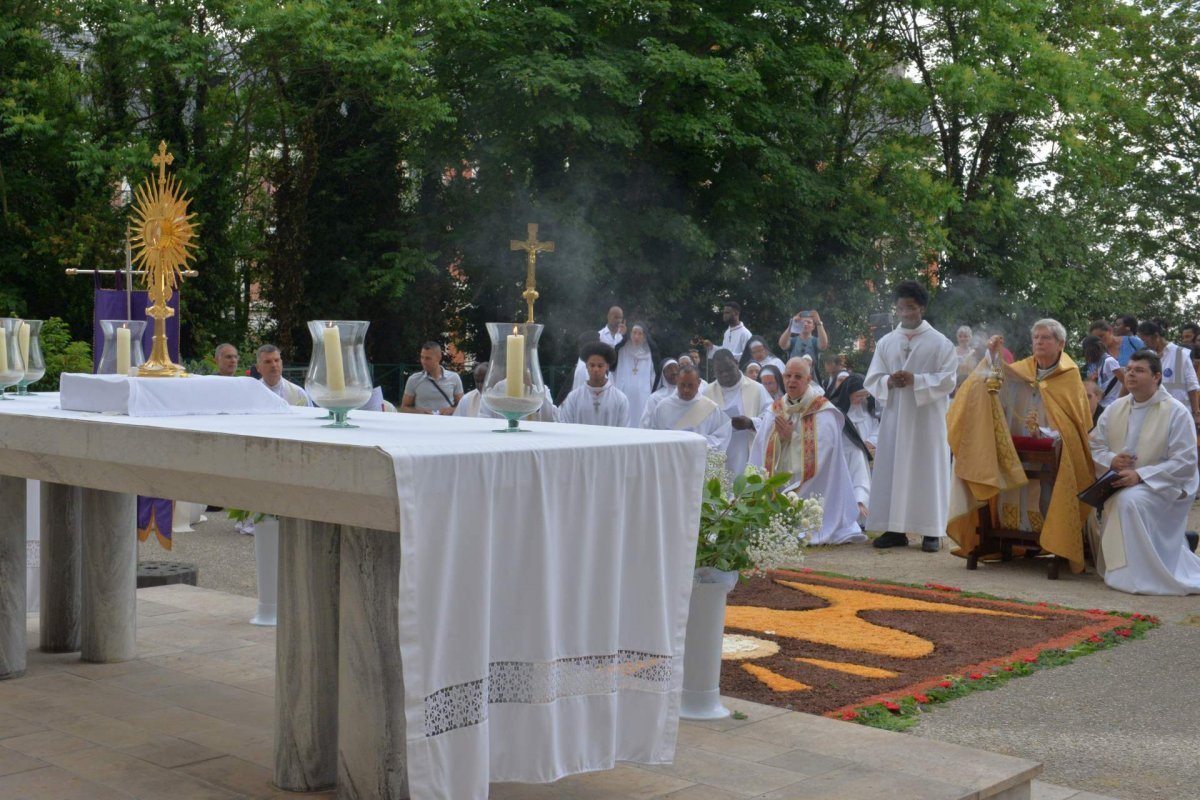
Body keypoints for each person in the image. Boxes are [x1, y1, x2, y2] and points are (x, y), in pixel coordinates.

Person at [947, 319, 1094, 573]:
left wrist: (1049, 434)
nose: (1038, 342)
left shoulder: (1069, 378)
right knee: (1011, 488)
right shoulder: (1022, 370)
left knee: (1048, 490)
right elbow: (994, 385)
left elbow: (1076, 425)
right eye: (1035, 337)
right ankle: (1009, 538)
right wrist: (992, 357)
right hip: (1017, 450)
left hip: (1054, 451)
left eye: (1045, 337)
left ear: (1061, 344)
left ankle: (1054, 541)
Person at [1089, 350, 1200, 594]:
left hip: (1165, 485)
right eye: (1128, 369)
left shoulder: (1176, 412)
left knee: (1128, 501)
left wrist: (1141, 476)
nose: (1130, 374)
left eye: (1139, 370)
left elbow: (1186, 461)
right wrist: (1112, 459)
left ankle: (1137, 575)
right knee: (1112, 500)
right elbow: (1095, 444)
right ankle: (1123, 569)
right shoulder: (1115, 408)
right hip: (1123, 480)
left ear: (1157, 377)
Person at [863, 281, 958, 551]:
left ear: (922, 308)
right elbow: (873, 377)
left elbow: (947, 379)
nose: (906, 313)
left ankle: (931, 531)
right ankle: (895, 529)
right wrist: (888, 382)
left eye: (911, 308)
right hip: (895, 416)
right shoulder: (886, 342)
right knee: (894, 467)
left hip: (926, 418)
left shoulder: (940, 342)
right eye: (902, 308)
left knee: (927, 470)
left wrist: (916, 380)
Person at [749, 357, 864, 544]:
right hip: (781, 474)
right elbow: (760, 446)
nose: (791, 380)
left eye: (797, 376)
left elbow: (825, 450)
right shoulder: (775, 409)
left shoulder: (823, 410)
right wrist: (779, 439)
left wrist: (791, 438)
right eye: (788, 376)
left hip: (813, 481)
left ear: (808, 379)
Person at [704, 349, 773, 478]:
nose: (725, 374)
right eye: (720, 371)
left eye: (729, 369)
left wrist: (751, 422)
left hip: (747, 452)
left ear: (736, 363)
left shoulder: (756, 389)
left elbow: (771, 416)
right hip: (718, 455)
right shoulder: (707, 393)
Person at [643, 365, 732, 451]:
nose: (686, 389)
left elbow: (722, 436)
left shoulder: (711, 408)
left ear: (698, 383)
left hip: (697, 460)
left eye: (690, 385)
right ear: (677, 381)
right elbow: (653, 435)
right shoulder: (663, 407)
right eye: (682, 385)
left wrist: (697, 441)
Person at [829, 373, 874, 525]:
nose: (862, 399)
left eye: (865, 395)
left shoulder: (868, 408)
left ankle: (862, 508)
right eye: (858, 396)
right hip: (844, 455)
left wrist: (871, 441)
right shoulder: (837, 411)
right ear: (848, 394)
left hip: (866, 453)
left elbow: (878, 428)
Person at [1135, 321, 1200, 423]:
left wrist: (1196, 414)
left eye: (1145, 341)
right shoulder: (1148, 356)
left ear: (1156, 336)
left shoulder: (1180, 354)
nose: (1144, 344)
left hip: (1181, 414)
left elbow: (1192, 387)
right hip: (1157, 414)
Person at [559, 342, 630, 426]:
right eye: (592, 365)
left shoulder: (620, 399)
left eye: (600, 366)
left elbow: (624, 429)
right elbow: (566, 425)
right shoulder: (573, 397)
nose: (596, 369)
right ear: (586, 366)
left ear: (607, 366)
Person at [613, 323, 658, 428]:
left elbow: (653, 376)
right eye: (634, 333)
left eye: (640, 334)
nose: (636, 337)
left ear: (645, 336)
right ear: (630, 334)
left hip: (643, 396)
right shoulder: (622, 350)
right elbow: (613, 367)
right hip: (624, 393)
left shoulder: (650, 353)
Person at [401, 342, 464, 415]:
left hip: (447, 424)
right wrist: (419, 412)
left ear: (439, 358)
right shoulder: (413, 379)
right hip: (422, 424)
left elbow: (463, 406)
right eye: (422, 357)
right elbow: (404, 408)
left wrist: (452, 410)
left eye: (428, 358)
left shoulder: (454, 378)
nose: (423, 361)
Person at [778, 310, 828, 381]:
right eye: (803, 322)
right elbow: (782, 344)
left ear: (813, 326)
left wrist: (819, 323)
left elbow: (823, 345)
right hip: (793, 379)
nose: (805, 324)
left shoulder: (815, 341)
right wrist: (792, 324)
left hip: (812, 381)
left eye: (809, 322)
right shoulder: (792, 341)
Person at [1081, 335, 1124, 414]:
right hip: (1103, 405)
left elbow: (1124, 381)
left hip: (1112, 404)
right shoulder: (1100, 364)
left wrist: (1120, 399)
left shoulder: (1109, 361)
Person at [640, 358, 680, 427]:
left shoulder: (687, 394)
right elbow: (646, 423)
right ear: (663, 374)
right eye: (669, 369)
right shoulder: (655, 398)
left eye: (676, 368)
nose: (674, 372)